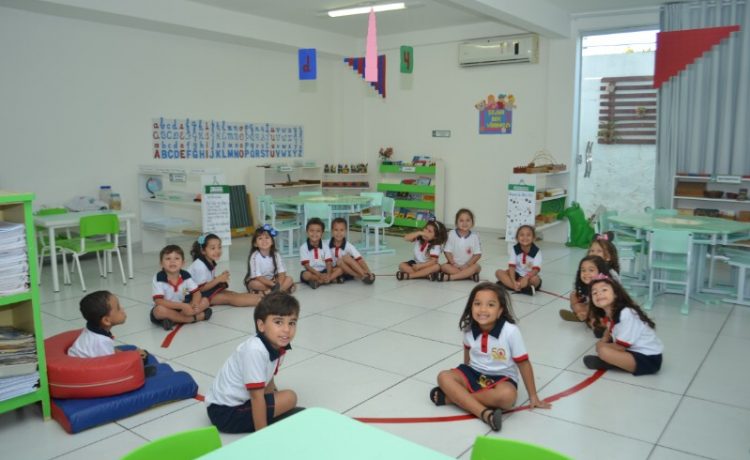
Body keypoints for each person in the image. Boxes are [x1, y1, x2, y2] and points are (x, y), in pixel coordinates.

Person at [430, 282, 550, 432]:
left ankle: (452, 399)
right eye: (477, 304)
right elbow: (467, 355)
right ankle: (485, 414)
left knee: (508, 397)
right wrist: (462, 378)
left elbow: (524, 363)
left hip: (502, 378)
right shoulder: (468, 329)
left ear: (500, 311)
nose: (483, 309)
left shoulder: (510, 332)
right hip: (474, 372)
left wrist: (533, 397)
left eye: (491, 305)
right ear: (471, 307)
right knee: (443, 377)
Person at [206, 292, 302, 433]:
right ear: (261, 325)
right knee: (290, 397)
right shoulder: (255, 350)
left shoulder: (278, 345)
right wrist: (261, 436)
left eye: (292, 323)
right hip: (225, 413)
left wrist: (273, 398)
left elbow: (268, 378)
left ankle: (270, 414)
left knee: (285, 398)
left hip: (231, 405)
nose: (287, 330)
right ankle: (263, 426)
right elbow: (256, 397)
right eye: (278, 322)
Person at [583, 275, 663, 375]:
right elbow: (609, 329)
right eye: (594, 293)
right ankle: (615, 361)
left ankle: (611, 363)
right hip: (632, 350)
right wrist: (603, 340)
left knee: (603, 351)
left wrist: (601, 345)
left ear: (616, 294)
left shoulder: (626, 313)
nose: (599, 294)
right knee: (604, 345)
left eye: (604, 290)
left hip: (648, 359)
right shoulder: (610, 312)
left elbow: (620, 347)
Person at [68, 291, 155, 375]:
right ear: (106, 320)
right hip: (82, 374)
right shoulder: (100, 341)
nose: (122, 309)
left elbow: (109, 352)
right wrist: (135, 361)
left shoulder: (93, 329)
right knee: (142, 363)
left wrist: (129, 354)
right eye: (118, 308)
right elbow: (110, 368)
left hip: (80, 363)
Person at [188, 233, 263, 307]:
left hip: (202, 291)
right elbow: (201, 289)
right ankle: (264, 302)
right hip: (193, 295)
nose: (217, 251)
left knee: (232, 293)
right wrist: (218, 279)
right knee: (230, 298)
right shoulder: (200, 266)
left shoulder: (209, 261)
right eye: (213, 248)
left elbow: (207, 279)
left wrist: (220, 278)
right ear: (203, 251)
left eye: (219, 247)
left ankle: (263, 298)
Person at [150, 244, 211, 331]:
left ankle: (173, 320)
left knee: (205, 301)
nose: (172, 262)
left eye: (177, 258)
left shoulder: (185, 275)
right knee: (158, 311)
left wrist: (194, 304)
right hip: (168, 308)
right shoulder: (158, 278)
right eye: (168, 259)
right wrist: (182, 306)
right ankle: (194, 318)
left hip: (184, 306)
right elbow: (158, 301)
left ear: (183, 263)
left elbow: (196, 292)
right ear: (161, 263)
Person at [559, 255, 611, 337]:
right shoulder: (585, 286)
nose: (586, 273)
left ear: (601, 271)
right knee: (573, 295)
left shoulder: (604, 287)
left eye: (591, 270)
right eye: (583, 270)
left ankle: (592, 322)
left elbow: (608, 309)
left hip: (605, 314)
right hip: (592, 309)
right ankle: (582, 315)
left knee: (595, 319)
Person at [244, 224, 295, 293]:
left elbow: (282, 272)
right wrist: (274, 285)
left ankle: (269, 292)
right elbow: (258, 277)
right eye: (260, 238)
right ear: (255, 244)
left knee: (289, 279)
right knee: (254, 284)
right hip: (259, 280)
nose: (264, 240)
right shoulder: (254, 256)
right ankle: (281, 291)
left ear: (272, 242)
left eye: (267, 237)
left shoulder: (276, 254)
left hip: (273, 279)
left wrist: (278, 284)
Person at [495, 225, 542, 295]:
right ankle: (518, 287)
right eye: (522, 235)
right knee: (498, 272)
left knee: (535, 279)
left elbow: (536, 270)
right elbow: (512, 266)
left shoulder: (537, 252)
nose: (525, 237)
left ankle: (509, 285)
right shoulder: (515, 249)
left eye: (528, 235)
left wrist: (526, 278)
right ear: (517, 238)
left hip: (529, 276)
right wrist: (513, 281)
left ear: (533, 238)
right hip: (516, 275)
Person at [328, 217, 375, 284]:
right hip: (338, 270)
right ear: (332, 231)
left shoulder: (348, 245)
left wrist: (369, 271)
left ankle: (364, 274)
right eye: (336, 230)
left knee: (345, 258)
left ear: (346, 231)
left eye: (342, 230)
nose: (339, 233)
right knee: (337, 267)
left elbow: (360, 260)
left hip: (349, 268)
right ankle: (359, 276)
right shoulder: (326, 244)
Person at [439, 208, 482, 282]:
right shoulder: (451, 234)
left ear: (472, 222)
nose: (464, 223)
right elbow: (447, 251)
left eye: (468, 220)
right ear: (456, 223)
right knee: (443, 267)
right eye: (461, 220)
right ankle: (469, 275)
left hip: (469, 266)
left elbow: (477, 254)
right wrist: (453, 263)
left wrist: (467, 265)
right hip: (454, 266)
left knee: (477, 267)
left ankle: (451, 277)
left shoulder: (475, 236)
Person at [300, 217, 343, 289]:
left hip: (324, 270)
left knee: (340, 269)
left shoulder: (325, 246)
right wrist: (319, 275)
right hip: (312, 271)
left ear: (322, 233)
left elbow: (328, 262)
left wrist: (328, 274)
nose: (314, 233)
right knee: (306, 275)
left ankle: (320, 281)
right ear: (307, 232)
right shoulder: (303, 247)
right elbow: (307, 266)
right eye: (311, 231)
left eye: (318, 231)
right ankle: (330, 280)